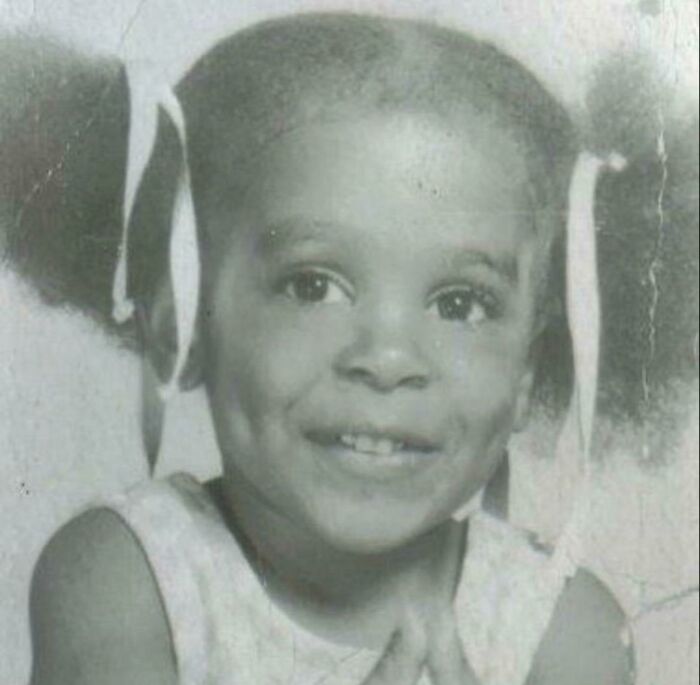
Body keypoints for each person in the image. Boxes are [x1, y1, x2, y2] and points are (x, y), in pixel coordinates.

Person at [25, 13, 635, 685]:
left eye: (460, 303)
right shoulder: (124, 579)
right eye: (312, 286)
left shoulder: (564, 629)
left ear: (525, 374)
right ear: (184, 327)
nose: (388, 358)